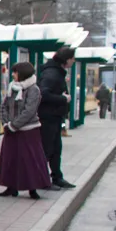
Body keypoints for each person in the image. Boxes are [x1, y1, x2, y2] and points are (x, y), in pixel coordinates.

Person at [0, 62, 49, 200]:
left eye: (15, 72)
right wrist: (6, 123)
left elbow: (29, 111)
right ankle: (11, 187)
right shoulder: (13, 87)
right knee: (10, 159)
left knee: (29, 159)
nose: (13, 74)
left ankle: (32, 188)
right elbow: (4, 106)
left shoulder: (33, 89)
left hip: (28, 131)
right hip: (11, 129)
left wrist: (14, 125)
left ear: (22, 73)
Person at [38, 47, 77, 189]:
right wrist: (63, 99)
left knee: (55, 149)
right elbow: (43, 94)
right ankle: (41, 179)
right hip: (48, 118)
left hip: (54, 117)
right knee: (47, 149)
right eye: (73, 58)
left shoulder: (56, 72)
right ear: (66, 59)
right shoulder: (52, 74)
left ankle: (56, 177)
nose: (74, 61)